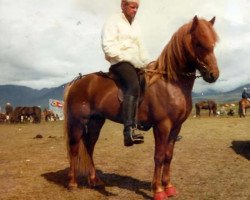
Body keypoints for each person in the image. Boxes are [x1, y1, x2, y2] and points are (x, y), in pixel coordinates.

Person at [101, 0, 151, 146]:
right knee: (133, 86)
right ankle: (128, 131)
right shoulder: (113, 21)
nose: (135, 10)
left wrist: (148, 63)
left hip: (136, 63)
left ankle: (142, 122)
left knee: (149, 83)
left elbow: (141, 48)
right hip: (119, 62)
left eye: (137, 8)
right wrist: (128, 58)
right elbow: (107, 46)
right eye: (132, 7)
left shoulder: (136, 25)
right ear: (123, 5)